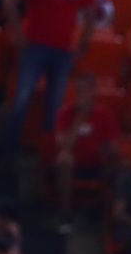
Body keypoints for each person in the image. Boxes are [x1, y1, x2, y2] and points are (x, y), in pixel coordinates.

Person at [4, 0, 100, 146]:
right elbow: (9, 0)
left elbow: (91, 13)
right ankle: (8, 149)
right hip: (35, 47)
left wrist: (84, 44)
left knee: (54, 107)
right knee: (22, 100)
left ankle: (46, 152)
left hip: (62, 52)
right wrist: (18, 33)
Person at [52, 71, 121, 217]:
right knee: (64, 159)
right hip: (74, 163)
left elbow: (113, 146)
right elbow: (63, 146)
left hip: (98, 163)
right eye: (79, 90)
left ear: (93, 91)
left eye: (85, 90)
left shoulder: (105, 114)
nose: (81, 94)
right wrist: (80, 118)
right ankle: (65, 213)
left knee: (118, 162)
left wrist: (106, 152)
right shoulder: (64, 113)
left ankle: (107, 213)